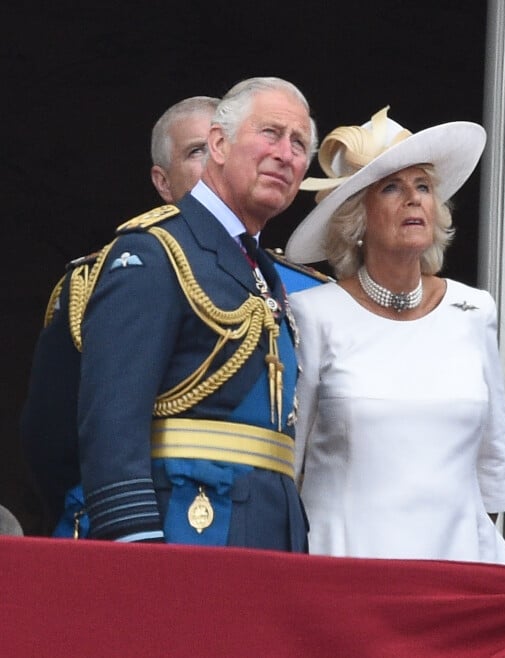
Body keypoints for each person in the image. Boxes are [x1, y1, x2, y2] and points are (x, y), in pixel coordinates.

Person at [31, 76, 318, 550]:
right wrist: (136, 545)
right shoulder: (155, 252)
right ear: (219, 144)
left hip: (267, 536)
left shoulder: (260, 268)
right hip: (186, 532)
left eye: (299, 143)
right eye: (270, 133)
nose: (285, 154)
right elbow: (111, 424)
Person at [284, 107, 505, 564]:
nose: (413, 199)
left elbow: (493, 462)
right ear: (357, 219)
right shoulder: (313, 314)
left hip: (455, 569)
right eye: (391, 187)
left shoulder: (473, 310)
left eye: (423, 186)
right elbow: (290, 465)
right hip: (348, 568)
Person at [20, 95, 219, 531]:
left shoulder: (291, 289)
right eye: (195, 151)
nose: (212, 163)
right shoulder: (106, 275)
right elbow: (49, 439)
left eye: (220, 147)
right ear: (162, 182)